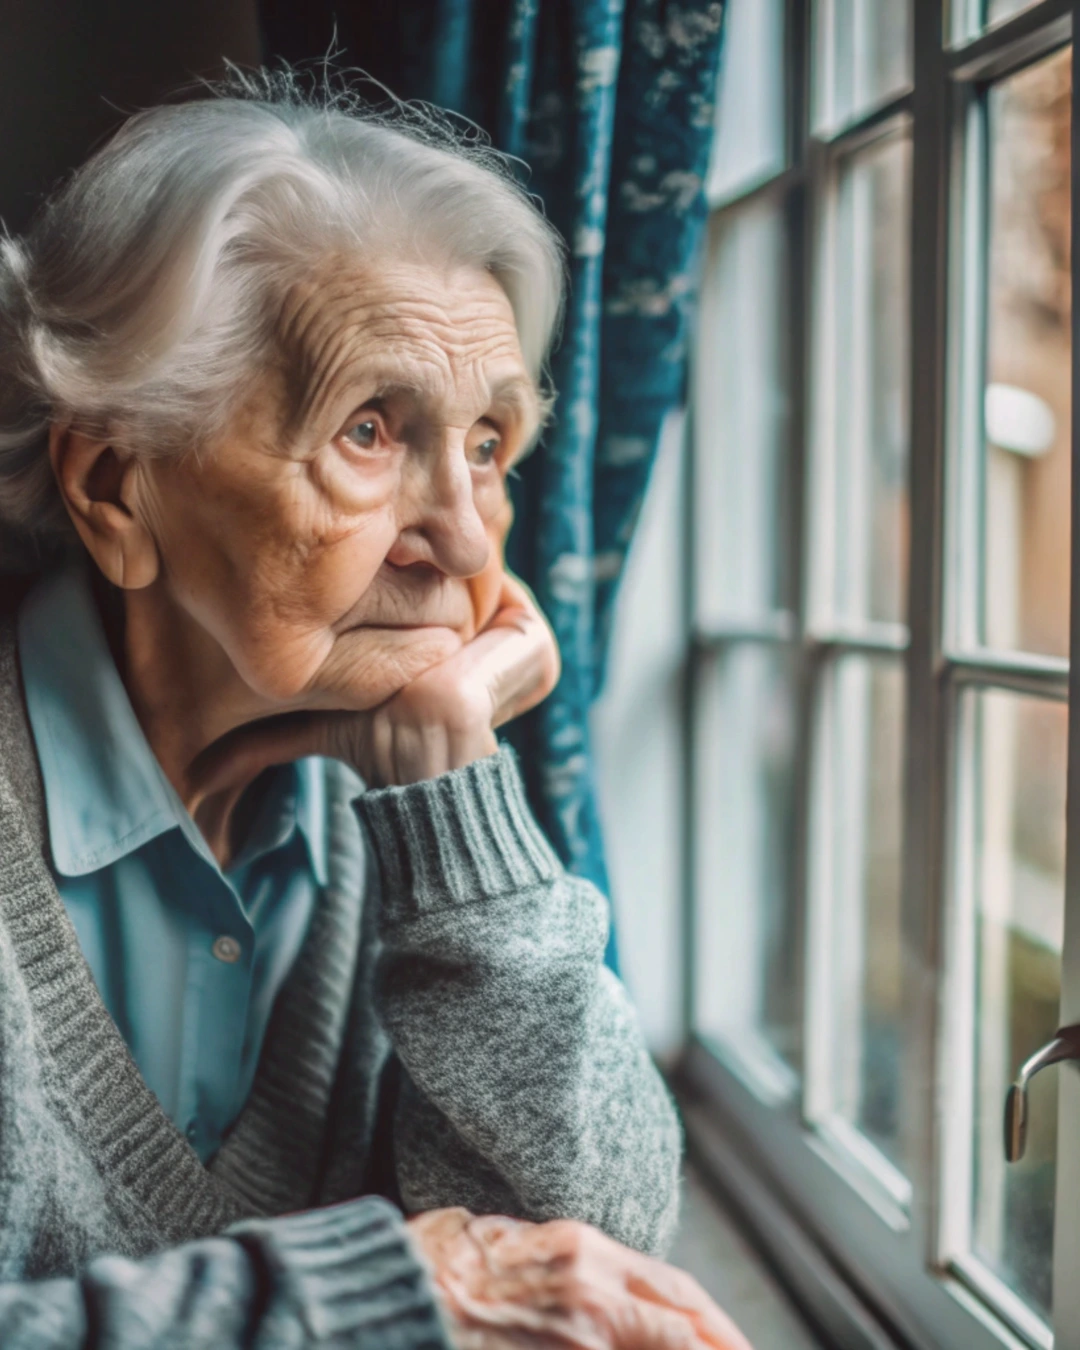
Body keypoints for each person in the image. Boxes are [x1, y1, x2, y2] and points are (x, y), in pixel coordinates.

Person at [0, 71, 753, 1350]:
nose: (465, 539)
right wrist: (389, 1297)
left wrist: (461, 810)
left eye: (487, 445)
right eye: (369, 429)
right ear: (119, 487)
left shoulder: (382, 808)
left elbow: (597, 1258)